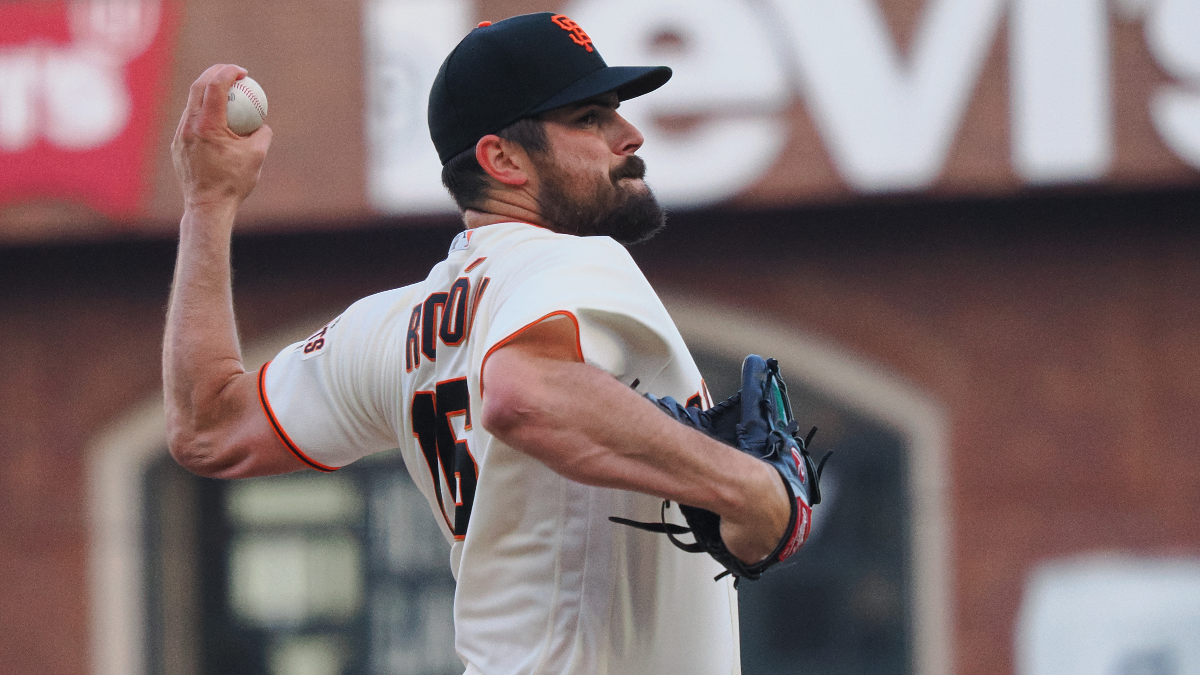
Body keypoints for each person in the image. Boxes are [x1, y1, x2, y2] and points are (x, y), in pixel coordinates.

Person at [164, 12, 791, 675]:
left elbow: (208, 426)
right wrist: (752, 487)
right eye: (588, 118)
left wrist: (207, 204)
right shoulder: (574, 262)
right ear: (503, 159)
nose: (630, 134)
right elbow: (523, 393)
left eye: (616, 110)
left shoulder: (396, 325)